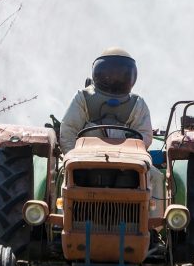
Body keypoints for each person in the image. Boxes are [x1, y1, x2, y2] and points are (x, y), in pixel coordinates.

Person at [60, 47, 164, 205]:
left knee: (156, 177)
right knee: (63, 175)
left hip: (128, 162)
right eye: (110, 73)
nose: (114, 78)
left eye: (120, 73)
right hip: (84, 160)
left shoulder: (138, 104)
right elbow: (68, 131)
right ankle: (58, 220)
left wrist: (127, 155)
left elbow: (145, 137)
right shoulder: (83, 98)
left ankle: (155, 225)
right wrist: (73, 160)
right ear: (98, 72)